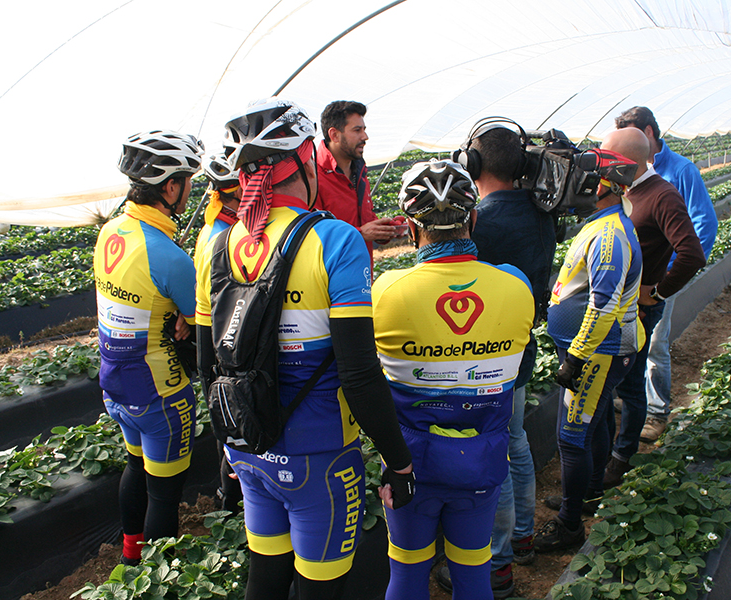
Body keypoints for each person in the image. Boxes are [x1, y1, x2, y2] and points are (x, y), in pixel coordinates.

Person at [194, 98, 414, 600]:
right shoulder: (335, 240)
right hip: (318, 457)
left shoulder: (220, 243)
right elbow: (359, 374)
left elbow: (209, 363)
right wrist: (398, 462)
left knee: (266, 576)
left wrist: (229, 445)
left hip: (248, 444)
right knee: (320, 589)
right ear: (301, 161)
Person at [372, 160, 535, 600]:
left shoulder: (387, 291)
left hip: (410, 464)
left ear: (409, 226)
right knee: (473, 574)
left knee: (405, 575)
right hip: (481, 463)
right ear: (474, 219)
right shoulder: (516, 287)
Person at [436, 120, 556, 597]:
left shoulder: (480, 220)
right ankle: (523, 537)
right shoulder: (541, 213)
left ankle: (498, 563)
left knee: (495, 454)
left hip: (485, 357)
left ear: (472, 164)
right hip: (521, 346)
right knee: (517, 438)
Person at [94, 130, 203, 565]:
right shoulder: (169, 256)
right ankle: (158, 579)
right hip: (161, 392)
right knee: (164, 494)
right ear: (171, 187)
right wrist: (183, 317)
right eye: (188, 179)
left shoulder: (110, 232)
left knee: (134, 466)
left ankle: (130, 557)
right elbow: (199, 318)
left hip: (115, 384)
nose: (191, 187)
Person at [534, 148, 645, 552]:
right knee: (596, 423)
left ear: (602, 186)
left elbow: (603, 304)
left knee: (571, 437)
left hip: (600, 351)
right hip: (601, 349)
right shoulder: (600, 224)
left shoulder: (610, 236)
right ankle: (589, 495)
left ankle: (568, 525)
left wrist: (577, 356)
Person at [601, 127, 706, 489]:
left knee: (630, 385)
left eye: (608, 159)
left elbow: (692, 253)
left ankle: (620, 459)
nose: (603, 166)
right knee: (613, 381)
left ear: (627, 161)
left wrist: (658, 293)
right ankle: (607, 456)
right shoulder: (626, 191)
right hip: (617, 305)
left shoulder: (662, 195)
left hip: (639, 310)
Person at [614, 107, 718, 442]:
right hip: (635, 282)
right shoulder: (626, 183)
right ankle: (634, 399)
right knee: (635, 346)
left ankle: (657, 412)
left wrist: (666, 281)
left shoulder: (680, 172)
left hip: (660, 277)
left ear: (646, 133)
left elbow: (703, 225)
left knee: (656, 343)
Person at [193, 153, 244, 514]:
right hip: (226, 347)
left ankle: (231, 501)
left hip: (218, 345)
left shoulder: (216, 228)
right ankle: (231, 505)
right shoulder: (223, 238)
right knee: (234, 429)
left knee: (229, 429)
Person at [315, 100, 401, 257]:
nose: (365, 136)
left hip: (363, 272)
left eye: (364, 129)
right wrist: (359, 234)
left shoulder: (359, 171)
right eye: (357, 130)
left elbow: (364, 219)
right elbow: (313, 235)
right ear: (334, 135)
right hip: (330, 277)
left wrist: (386, 228)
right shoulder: (313, 176)